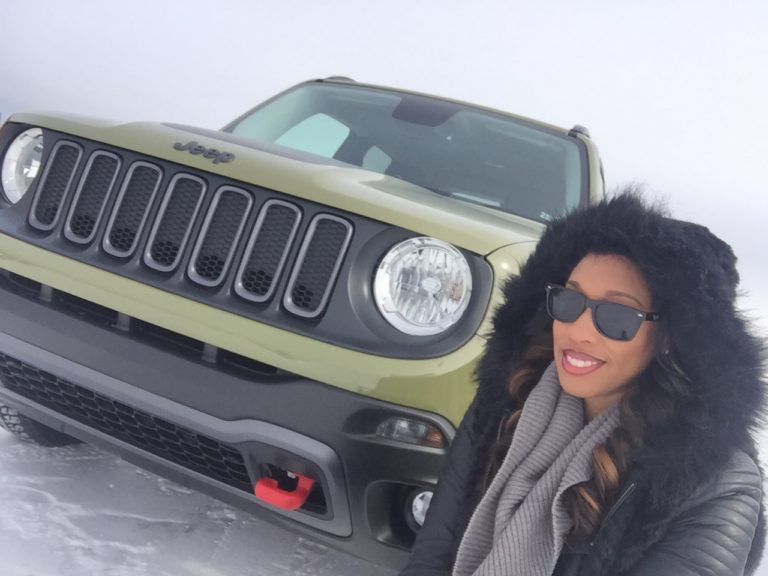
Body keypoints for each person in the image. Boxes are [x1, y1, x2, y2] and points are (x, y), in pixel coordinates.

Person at [400, 192, 766, 576]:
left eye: (617, 316)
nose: (578, 332)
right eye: (570, 301)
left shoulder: (716, 485)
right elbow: (432, 554)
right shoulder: (507, 399)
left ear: (669, 338)